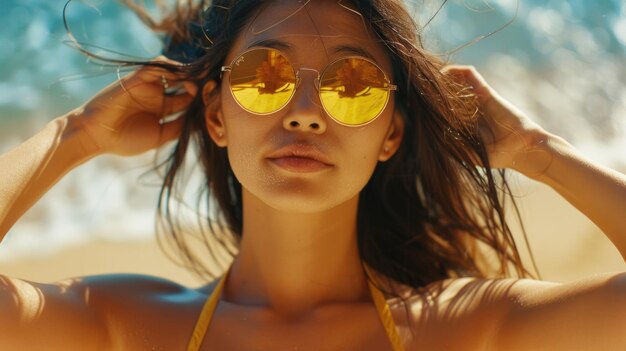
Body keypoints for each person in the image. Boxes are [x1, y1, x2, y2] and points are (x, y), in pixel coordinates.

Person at [1, 0, 625, 350]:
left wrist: (537, 150)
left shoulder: (462, 328)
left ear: (392, 133)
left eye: (351, 84)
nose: (305, 113)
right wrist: (73, 135)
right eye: (262, 76)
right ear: (217, 116)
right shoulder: (130, 326)